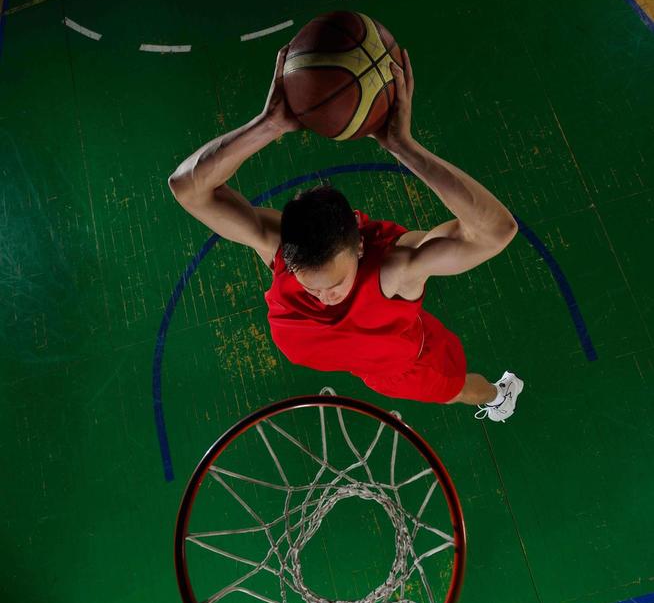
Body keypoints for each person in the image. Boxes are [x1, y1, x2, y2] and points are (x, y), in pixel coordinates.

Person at [169, 45, 523, 421]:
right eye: (311, 288)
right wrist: (268, 125)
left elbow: (496, 232)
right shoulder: (277, 245)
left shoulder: (396, 268)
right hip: (364, 366)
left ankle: (500, 393)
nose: (324, 299)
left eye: (333, 285)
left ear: (357, 246)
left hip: (403, 364)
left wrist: (405, 147)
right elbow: (186, 188)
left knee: (458, 391)